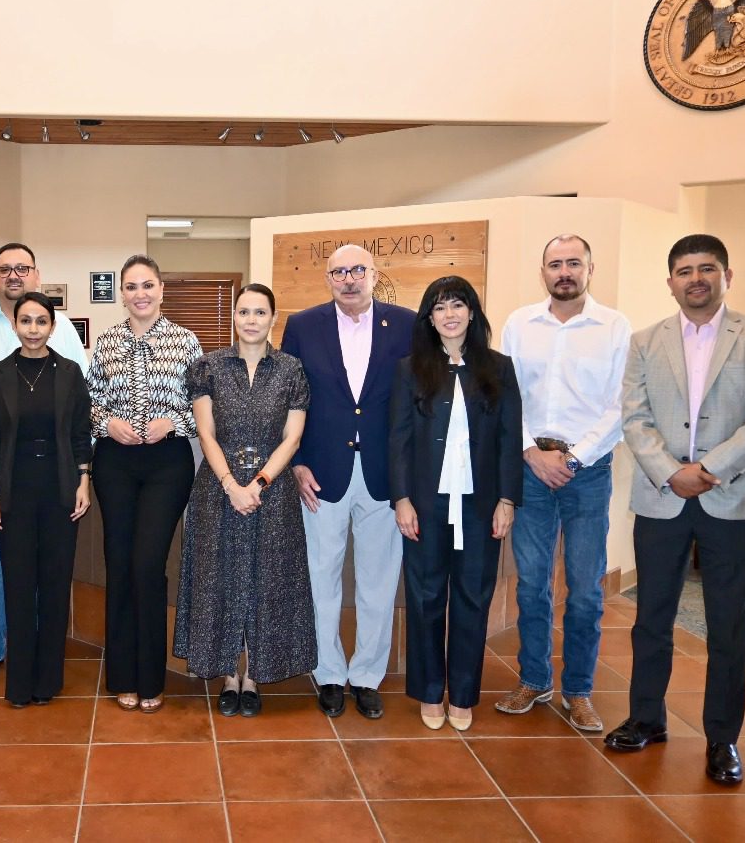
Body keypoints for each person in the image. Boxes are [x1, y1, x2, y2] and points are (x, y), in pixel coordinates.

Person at [605, 234, 745, 786]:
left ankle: (722, 737)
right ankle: (646, 717)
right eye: (685, 271)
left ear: (726, 276)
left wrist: (708, 469)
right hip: (661, 497)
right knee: (651, 618)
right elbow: (634, 417)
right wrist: (671, 471)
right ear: (671, 283)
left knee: (728, 624)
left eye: (707, 269)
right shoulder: (645, 341)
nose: (696, 279)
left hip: (730, 497)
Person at [495, 235, 631, 731]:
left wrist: (573, 458)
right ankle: (534, 679)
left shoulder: (614, 327)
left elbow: (621, 405)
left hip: (587, 473)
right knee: (531, 585)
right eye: (555, 264)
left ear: (590, 269)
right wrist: (531, 452)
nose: (565, 272)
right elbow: (505, 395)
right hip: (530, 469)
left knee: (585, 588)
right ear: (543, 272)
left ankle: (578, 690)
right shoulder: (519, 324)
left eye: (574, 263)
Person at [280, 244, 414, 720]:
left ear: (374, 274)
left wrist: (408, 474)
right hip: (320, 474)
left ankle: (367, 676)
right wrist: (296, 462)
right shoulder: (303, 326)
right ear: (328, 279)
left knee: (379, 581)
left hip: (384, 475)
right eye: (339, 272)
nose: (349, 279)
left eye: (358, 270)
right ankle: (330, 673)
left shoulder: (406, 324)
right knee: (322, 578)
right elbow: (288, 399)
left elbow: (416, 402)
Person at [0, 242, 87, 683]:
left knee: (43, 568)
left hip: (53, 471)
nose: (13, 275)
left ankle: (40, 660)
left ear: (35, 275)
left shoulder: (65, 335)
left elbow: (79, 410)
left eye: (22, 268)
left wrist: (81, 475)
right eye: (5, 268)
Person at [174, 284, 314, 718]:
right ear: (234, 317)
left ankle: (254, 675)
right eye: (243, 312)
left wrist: (259, 483)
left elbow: (292, 437)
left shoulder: (291, 369)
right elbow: (206, 434)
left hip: (274, 493)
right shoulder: (207, 367)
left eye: (260, 312)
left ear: (273, 318)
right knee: (221, 579)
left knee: (267, 581)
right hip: (218, 491)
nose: (251, 320)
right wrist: (232, 485)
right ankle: (228, 675)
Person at [389, 275, 522, 731]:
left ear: (472, 313)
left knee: (472, 598)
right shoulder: (410, 369)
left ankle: (463, 695)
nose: (450, 314)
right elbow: (399, 439)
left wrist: (507, 499)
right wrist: (402, 499)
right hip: (425, 505)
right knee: (425, 597)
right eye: (440, 307)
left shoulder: (499, 368)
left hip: (480, 506)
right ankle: (429, 692)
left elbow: (509, 438)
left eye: (458, 305)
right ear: (430, 317)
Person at [87, 255, 202, 713]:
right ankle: (122, 675)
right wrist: (107, 423)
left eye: (148, 285)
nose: (140, 294)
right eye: (132, 286)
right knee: (119, 561)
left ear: (161, 289)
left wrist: (172, 421)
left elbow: (203, 405)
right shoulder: (107, 342)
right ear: (122, 293)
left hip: (167, 463)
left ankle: (151, 676)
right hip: (115, 462)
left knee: (148, 563)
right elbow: (89, 402)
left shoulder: (185, 340)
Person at [0, 292, 92, 707]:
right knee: (19, 584)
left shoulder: (70, 373)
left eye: (41, 321)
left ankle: (48, 681)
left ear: (52, 326)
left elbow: (81, 434)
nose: (33, 329)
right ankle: (20, 683)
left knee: (55, 585)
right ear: (15, 325)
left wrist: (83, 482)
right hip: (14, 489)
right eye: (25, 321)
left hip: (60, 488)